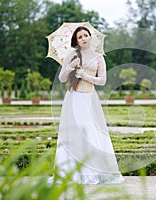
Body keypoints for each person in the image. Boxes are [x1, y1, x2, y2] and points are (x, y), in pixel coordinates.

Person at [53, 26, 124, 184]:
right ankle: (72, 171)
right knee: (74, 132)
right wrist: (71, 66)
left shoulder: (99, 57)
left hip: (90, 98)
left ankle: (94, 170)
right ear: (76, 40)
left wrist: (85, 75)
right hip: (74, 99)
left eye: (86, 35)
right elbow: (62, 78)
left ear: (91, 37)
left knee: (92, 132)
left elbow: (103, 81)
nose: (84, 38)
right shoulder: (72, 55)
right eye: (80, 36)